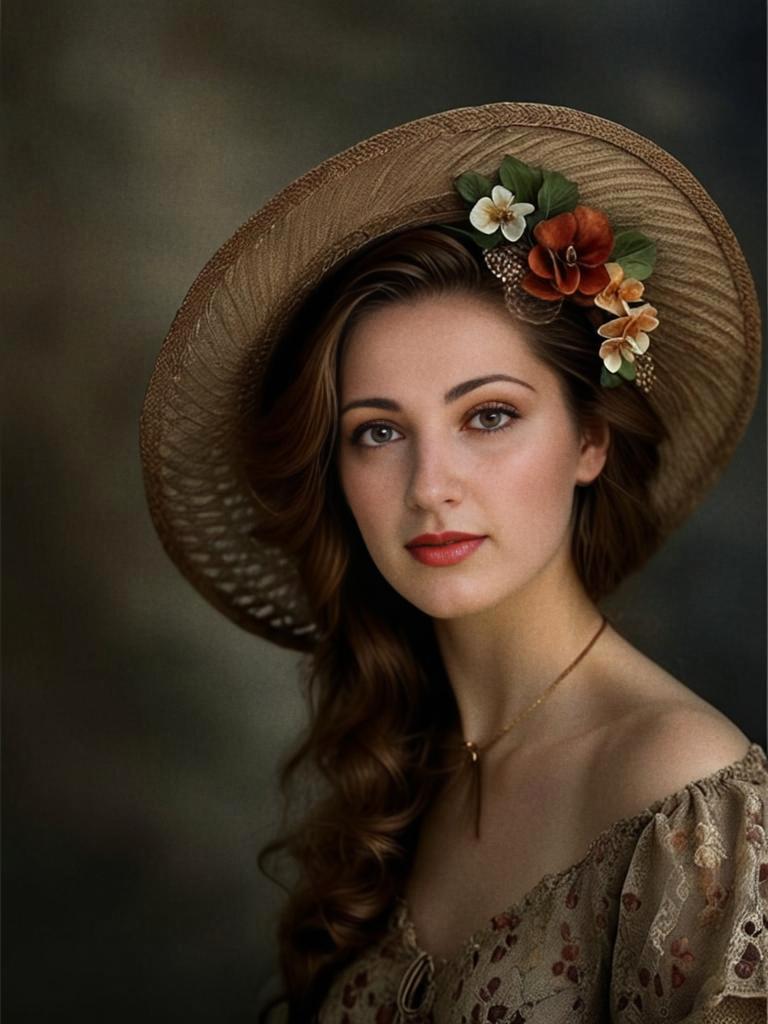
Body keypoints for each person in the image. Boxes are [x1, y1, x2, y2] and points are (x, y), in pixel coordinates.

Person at [140, 103, 767, 1023]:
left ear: (589, 439)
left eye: (489, 415)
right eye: (379, 431)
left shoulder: (680, 794)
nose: (431, 486)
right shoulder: (402, 760)